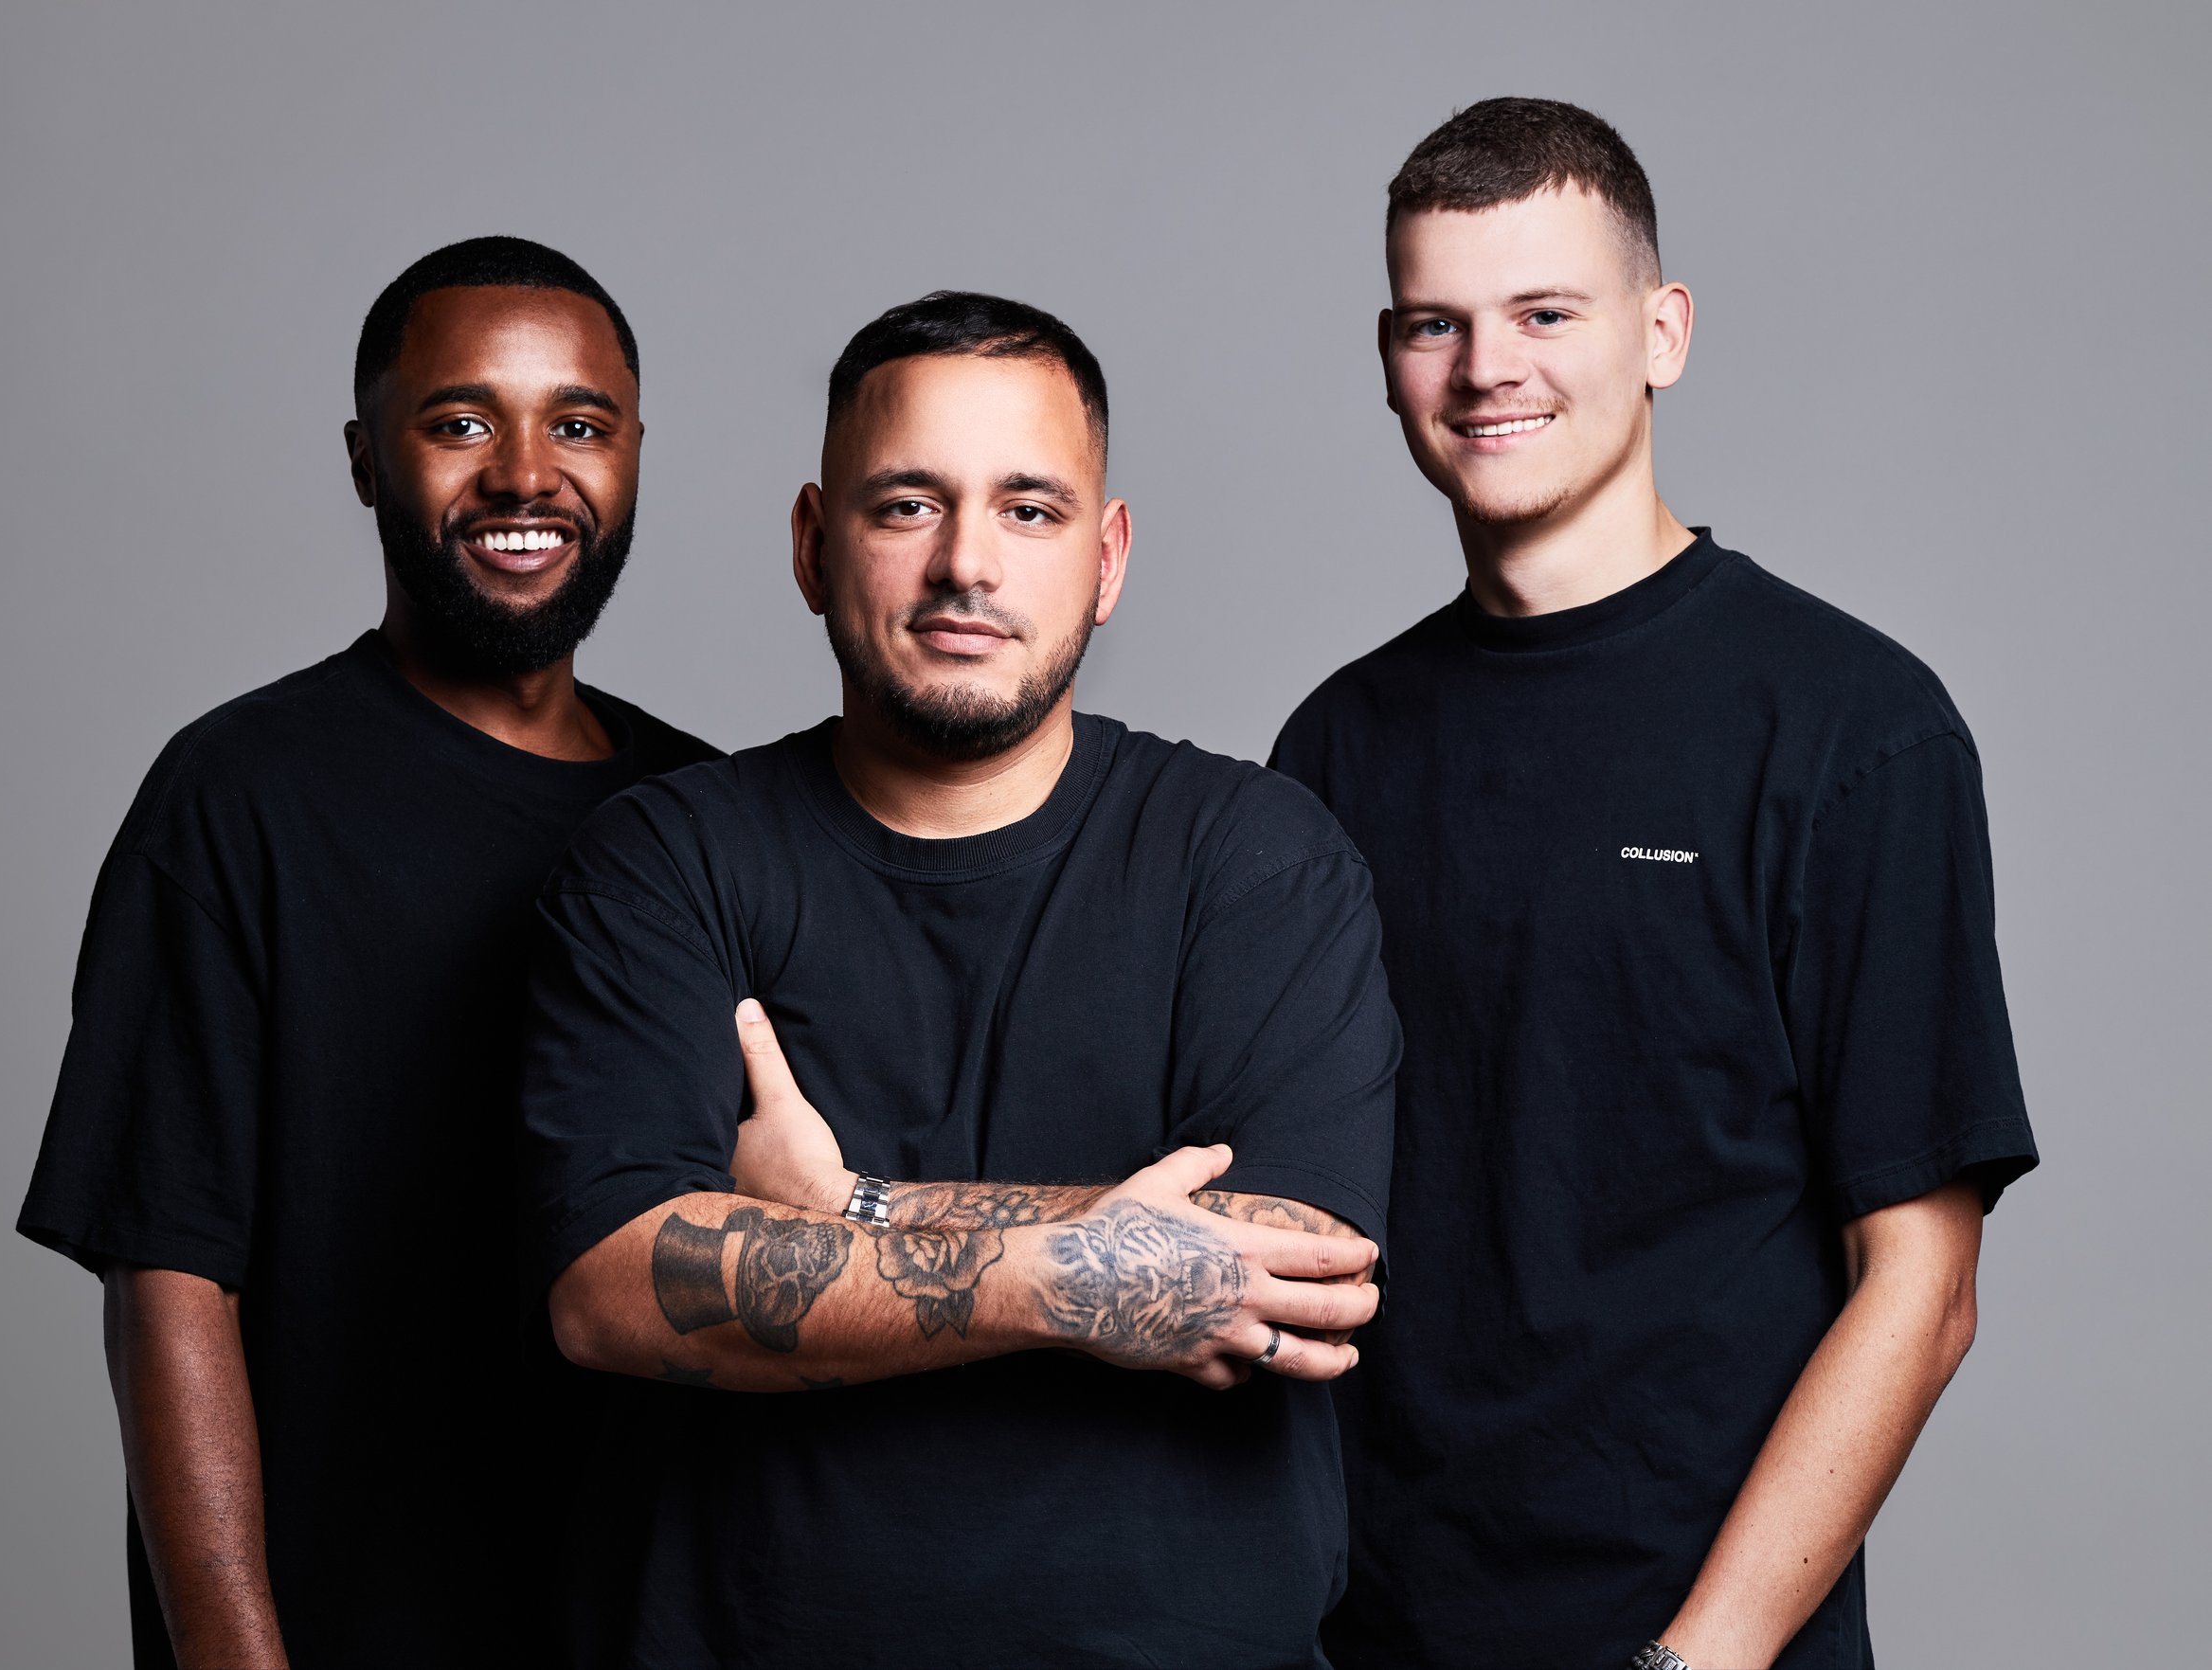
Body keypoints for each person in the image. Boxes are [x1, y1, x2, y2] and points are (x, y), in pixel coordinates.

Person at [519, 290, 1399, 1669]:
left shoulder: (1253, 858)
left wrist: (852, 1206)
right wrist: (1077, 1272)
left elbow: (1289, 1271)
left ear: (1107, 559)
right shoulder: (666, 859)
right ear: (816, 545)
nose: (966, 567)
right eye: (908, 506)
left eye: (1030, 510)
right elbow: (612, 1287)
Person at [1270, 99, 2041, 1670]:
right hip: (1363, 1634)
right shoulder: (1333, 745)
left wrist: (1703, 1659)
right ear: (1390, 357)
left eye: (1546, 313)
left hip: (1691, 1642)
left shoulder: (1851, 729)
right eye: (1438, 324)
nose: (1490, 371)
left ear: (1662, 332)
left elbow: (1922, 1284)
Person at [15, 236, 715, 1669]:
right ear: (363, 457)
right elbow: (168, 1280)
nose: (526, 474)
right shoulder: (237, 797)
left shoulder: (704, 820)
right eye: (460, 420)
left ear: (637, 454)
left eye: (578, 424)